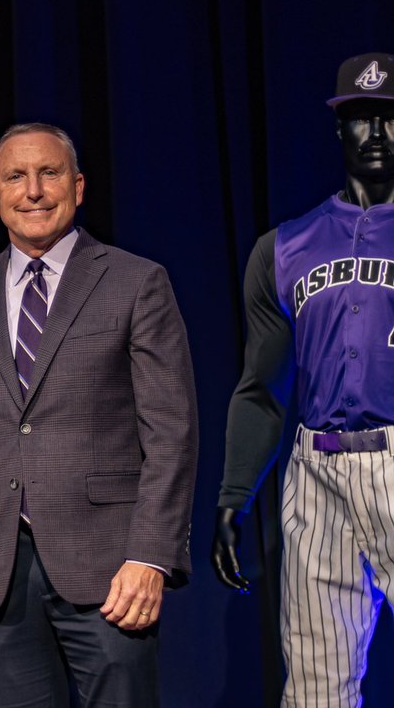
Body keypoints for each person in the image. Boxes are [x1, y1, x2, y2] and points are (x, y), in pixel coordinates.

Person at [0, 123, 198, 705]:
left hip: (110, 569)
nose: (34, 191)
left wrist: (150, 555)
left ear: (77, 186)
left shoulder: (136, 282)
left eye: (49, 174)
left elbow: (171, 435)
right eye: (16, 178)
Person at [212, 52, 394, 706]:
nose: (375, 134)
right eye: (359, 118)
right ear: (337, 130)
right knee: (317, 689)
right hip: (315, 468)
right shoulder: (287, 245)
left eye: (389, 118)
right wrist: (235, 494)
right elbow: (263, 385)